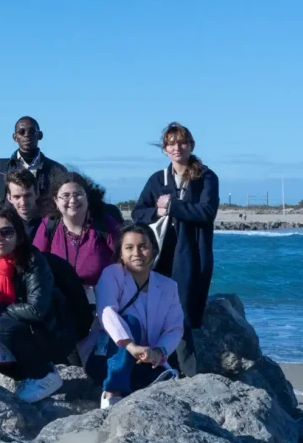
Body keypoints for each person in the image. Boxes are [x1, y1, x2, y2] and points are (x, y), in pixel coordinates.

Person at [0, 205, 66, 403]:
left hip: (45, 330)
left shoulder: (32, 259)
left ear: (19, 236)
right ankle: (24, 375)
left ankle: (45, 375)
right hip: (15, 325)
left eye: (6, 232)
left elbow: (37, 309)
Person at [81, 224, 183, 409]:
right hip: (105, 356)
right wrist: (131, 345)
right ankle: (112, 392)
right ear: (120, 253)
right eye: (129, 248)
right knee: (130, 322)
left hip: (144, 359)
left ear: (153, 250)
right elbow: (107, 313)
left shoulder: (168, 286)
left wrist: (159, 351)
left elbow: (174, 328)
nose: (137, 253)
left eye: (143, 246)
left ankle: (142, 384)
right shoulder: (112, 274)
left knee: (163, 379)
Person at [132, 122, 218, 329]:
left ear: (191, 145)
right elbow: (137, 213)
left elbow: (207, 212)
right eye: (171, 144)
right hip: (161, 253)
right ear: (164, 149)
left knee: (185, 316)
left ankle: (183, 361)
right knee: (156, 313)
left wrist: (172, 206)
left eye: (182, 143)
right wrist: (157, 212)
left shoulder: (206, 177)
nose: (177, 148)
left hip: (193, 252)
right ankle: (157, 359)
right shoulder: (158, 179)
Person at [33, 171, 121, 292]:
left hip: (102, 299)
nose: (73, 200)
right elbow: (36, 264)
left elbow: (125, 259)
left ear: (87, 198)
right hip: (61, 300)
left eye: (78, 194)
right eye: (66, 195)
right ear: (56, 201)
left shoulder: (105, 224)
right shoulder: (48, 225)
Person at [0, 117, 66, 215]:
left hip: (46, 228)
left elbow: (64, 205)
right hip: (10, 228)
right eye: (21, 132)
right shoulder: (0, 169)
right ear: (15, 137)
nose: (27, 135)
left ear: (40, 135)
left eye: (32, 131)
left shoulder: (57, 171)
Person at [5, 169, 43, 238]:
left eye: (27, 196)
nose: (23, 202)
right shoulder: (4, 225)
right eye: (17, 197)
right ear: (9, 198)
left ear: (37, 193)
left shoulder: (51, 223)